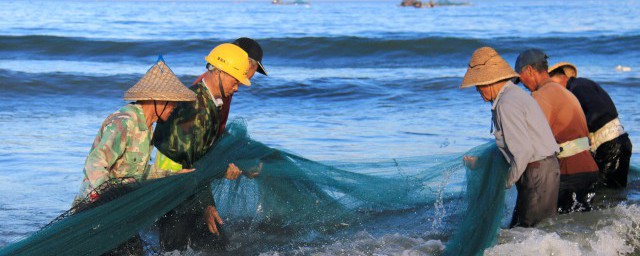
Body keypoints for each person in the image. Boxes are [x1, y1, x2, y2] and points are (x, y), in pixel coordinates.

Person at [73, 58, 196, 255]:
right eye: (172, 102)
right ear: (158, 100)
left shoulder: (147, 128)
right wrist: (104, 200)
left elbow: (139, 171)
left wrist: (175, 175)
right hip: (95, 211)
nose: (175, 107)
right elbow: (95, 163)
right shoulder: (124, 122)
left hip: (119, 211)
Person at [153, 40, 267, 252]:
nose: (237, 88)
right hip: (173, 187)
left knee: (212, 245)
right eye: (236, 81)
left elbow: (205, 149)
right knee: (175, 247)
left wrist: (236, 164)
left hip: (190, 185)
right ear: (219, 72)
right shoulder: (194, 107)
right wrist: (206, 204)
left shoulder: (212, 100)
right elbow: (189, 161)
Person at [461, 47, 560, 228]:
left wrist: (504, 183)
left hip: (537, 172)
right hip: (542, 169)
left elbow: (523, 151)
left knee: (530, 233)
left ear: (489, 81)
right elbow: (513, 146)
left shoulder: (506, 103)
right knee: (530, 231)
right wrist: (482, 163)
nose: (478, 91)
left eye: (478, 85)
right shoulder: (513, 95)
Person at [515, 49, 599, 213]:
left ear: (530, 71)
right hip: (589, 169)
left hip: (570, 172)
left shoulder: (541, 96)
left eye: (521, 79)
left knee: (556, 228)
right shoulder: (564, 92)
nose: (523, 85)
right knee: (580, 228)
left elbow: (533, 139)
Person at [548, 62, 632, 188]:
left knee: (602, 192)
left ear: (559, 79)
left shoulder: (577, 88)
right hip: (620, 140)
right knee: (616, 191)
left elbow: (596, 113)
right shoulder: (584, 84)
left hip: (610, 146)